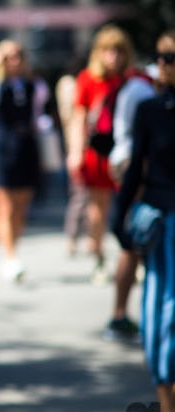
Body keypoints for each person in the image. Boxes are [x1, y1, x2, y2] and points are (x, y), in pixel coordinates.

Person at [112, 29, 175, 412]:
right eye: (162, 56)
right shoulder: (151, 108)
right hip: (164, 227)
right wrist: (120, 223)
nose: (165, 64)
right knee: (162, 321)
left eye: (171, 56)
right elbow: (136, 169)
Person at [0, 39, 49, 282]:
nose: (14, 61)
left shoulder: (33, 86)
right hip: (1, 147)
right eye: (9, 57)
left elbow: (39, 117)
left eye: (18, 56)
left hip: (26, 146)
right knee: (4, 205)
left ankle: (13, 248)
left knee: (22, 204)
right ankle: (10, 255)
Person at [66, 25, 135, 285]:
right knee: (98, 208)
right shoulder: (87, 79)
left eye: (118, 51)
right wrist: (75, 151)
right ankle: (99, 258)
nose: (113, 57)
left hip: (127, 152)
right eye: (108, 51)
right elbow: (78, 117)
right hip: (98, 153)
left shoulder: (133, 79)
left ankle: (131, 256)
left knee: (130, 207)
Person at [103, 55, 155, 341]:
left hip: (142, 174)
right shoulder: (140, 90)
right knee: (134, 244)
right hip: (139, 175)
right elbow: (127, 140)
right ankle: (120, 315)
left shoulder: (141, 89)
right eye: (164, 58)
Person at [56, 58, 88, 257]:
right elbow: (71, 114)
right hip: (76, 147)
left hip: (84, 147)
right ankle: (73, 237)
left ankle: (85, 237)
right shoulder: (68, 85)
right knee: (79, 196)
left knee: (83, 197)